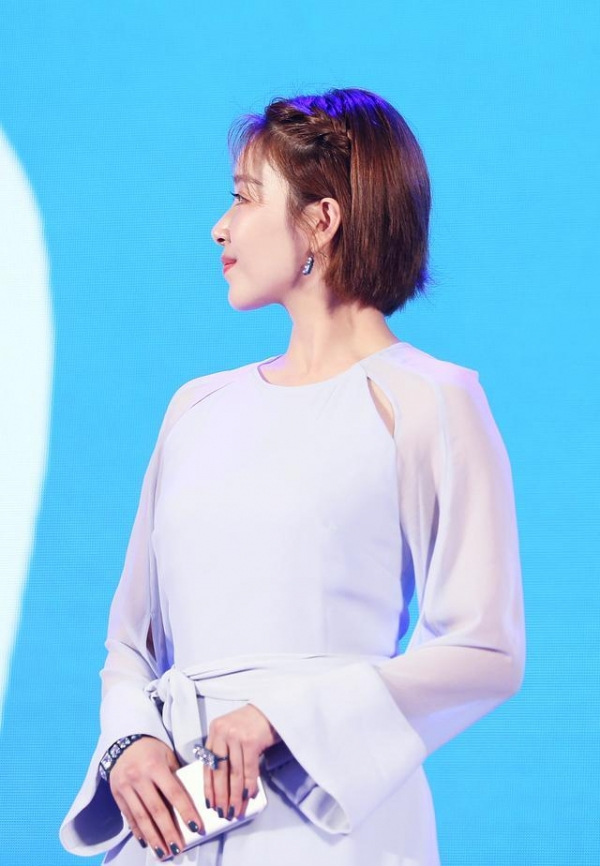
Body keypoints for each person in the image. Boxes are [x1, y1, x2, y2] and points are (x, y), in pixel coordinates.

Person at [60, 87, 526, 865]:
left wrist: (284, 719)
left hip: (328, 823)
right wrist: (129, 742)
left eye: (245, 198)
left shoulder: (431, 399)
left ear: (321, 220)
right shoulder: (195, 406)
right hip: (172, 823)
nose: (220, 226)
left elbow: (487, 650)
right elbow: (130, 641)